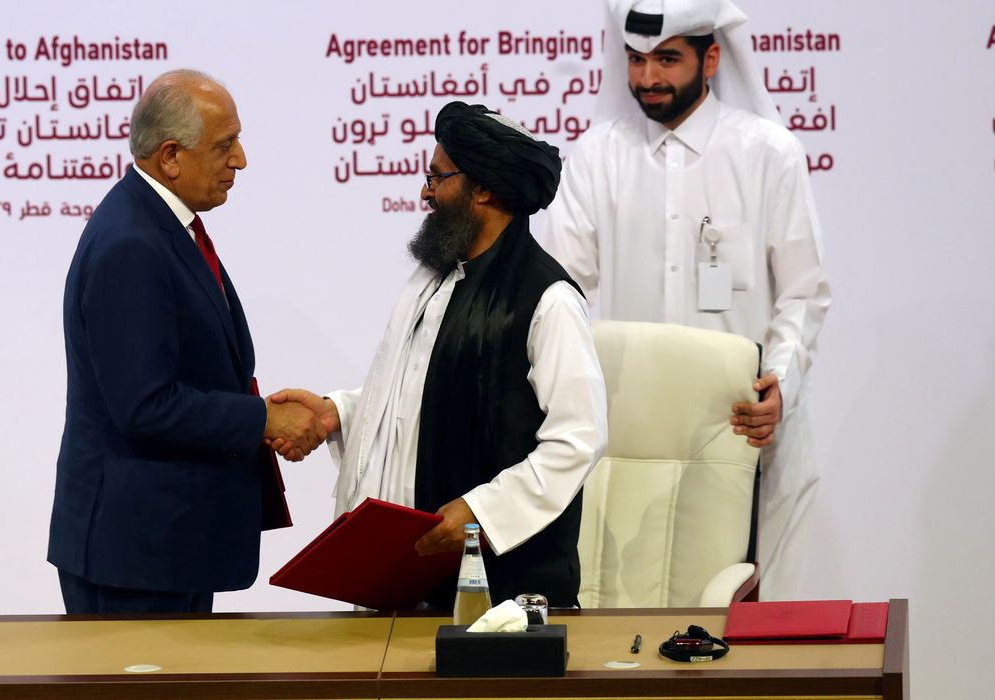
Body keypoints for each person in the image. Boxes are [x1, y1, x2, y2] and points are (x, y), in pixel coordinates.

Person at [541, 0, 831, 599]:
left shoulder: (768, 153)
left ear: (712, 57)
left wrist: (781, 381)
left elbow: (804, 292)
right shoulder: (597, 156)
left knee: (756, 633)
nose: (648, 78)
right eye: (637, 60)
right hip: (632, 443)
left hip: (746, 427)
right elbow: (561, 290)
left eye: (667, 59)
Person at [271, 102, 607, 608]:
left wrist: (482, 511)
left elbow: (577, 439)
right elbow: (423, 391)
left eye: (437, 177)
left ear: (484, 188)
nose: (425, 191)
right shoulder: (434, 278)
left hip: (509, 597)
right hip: (416, 582)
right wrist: (334, 413)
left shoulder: (548, 299)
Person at [47, 69, 324, 614]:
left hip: (166, 546)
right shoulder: (131, 242)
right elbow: (144, 406)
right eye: (225, 146)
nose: (240, 160)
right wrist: (263, 420)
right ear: (170, 156)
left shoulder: (159, 226)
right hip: (134, 558)